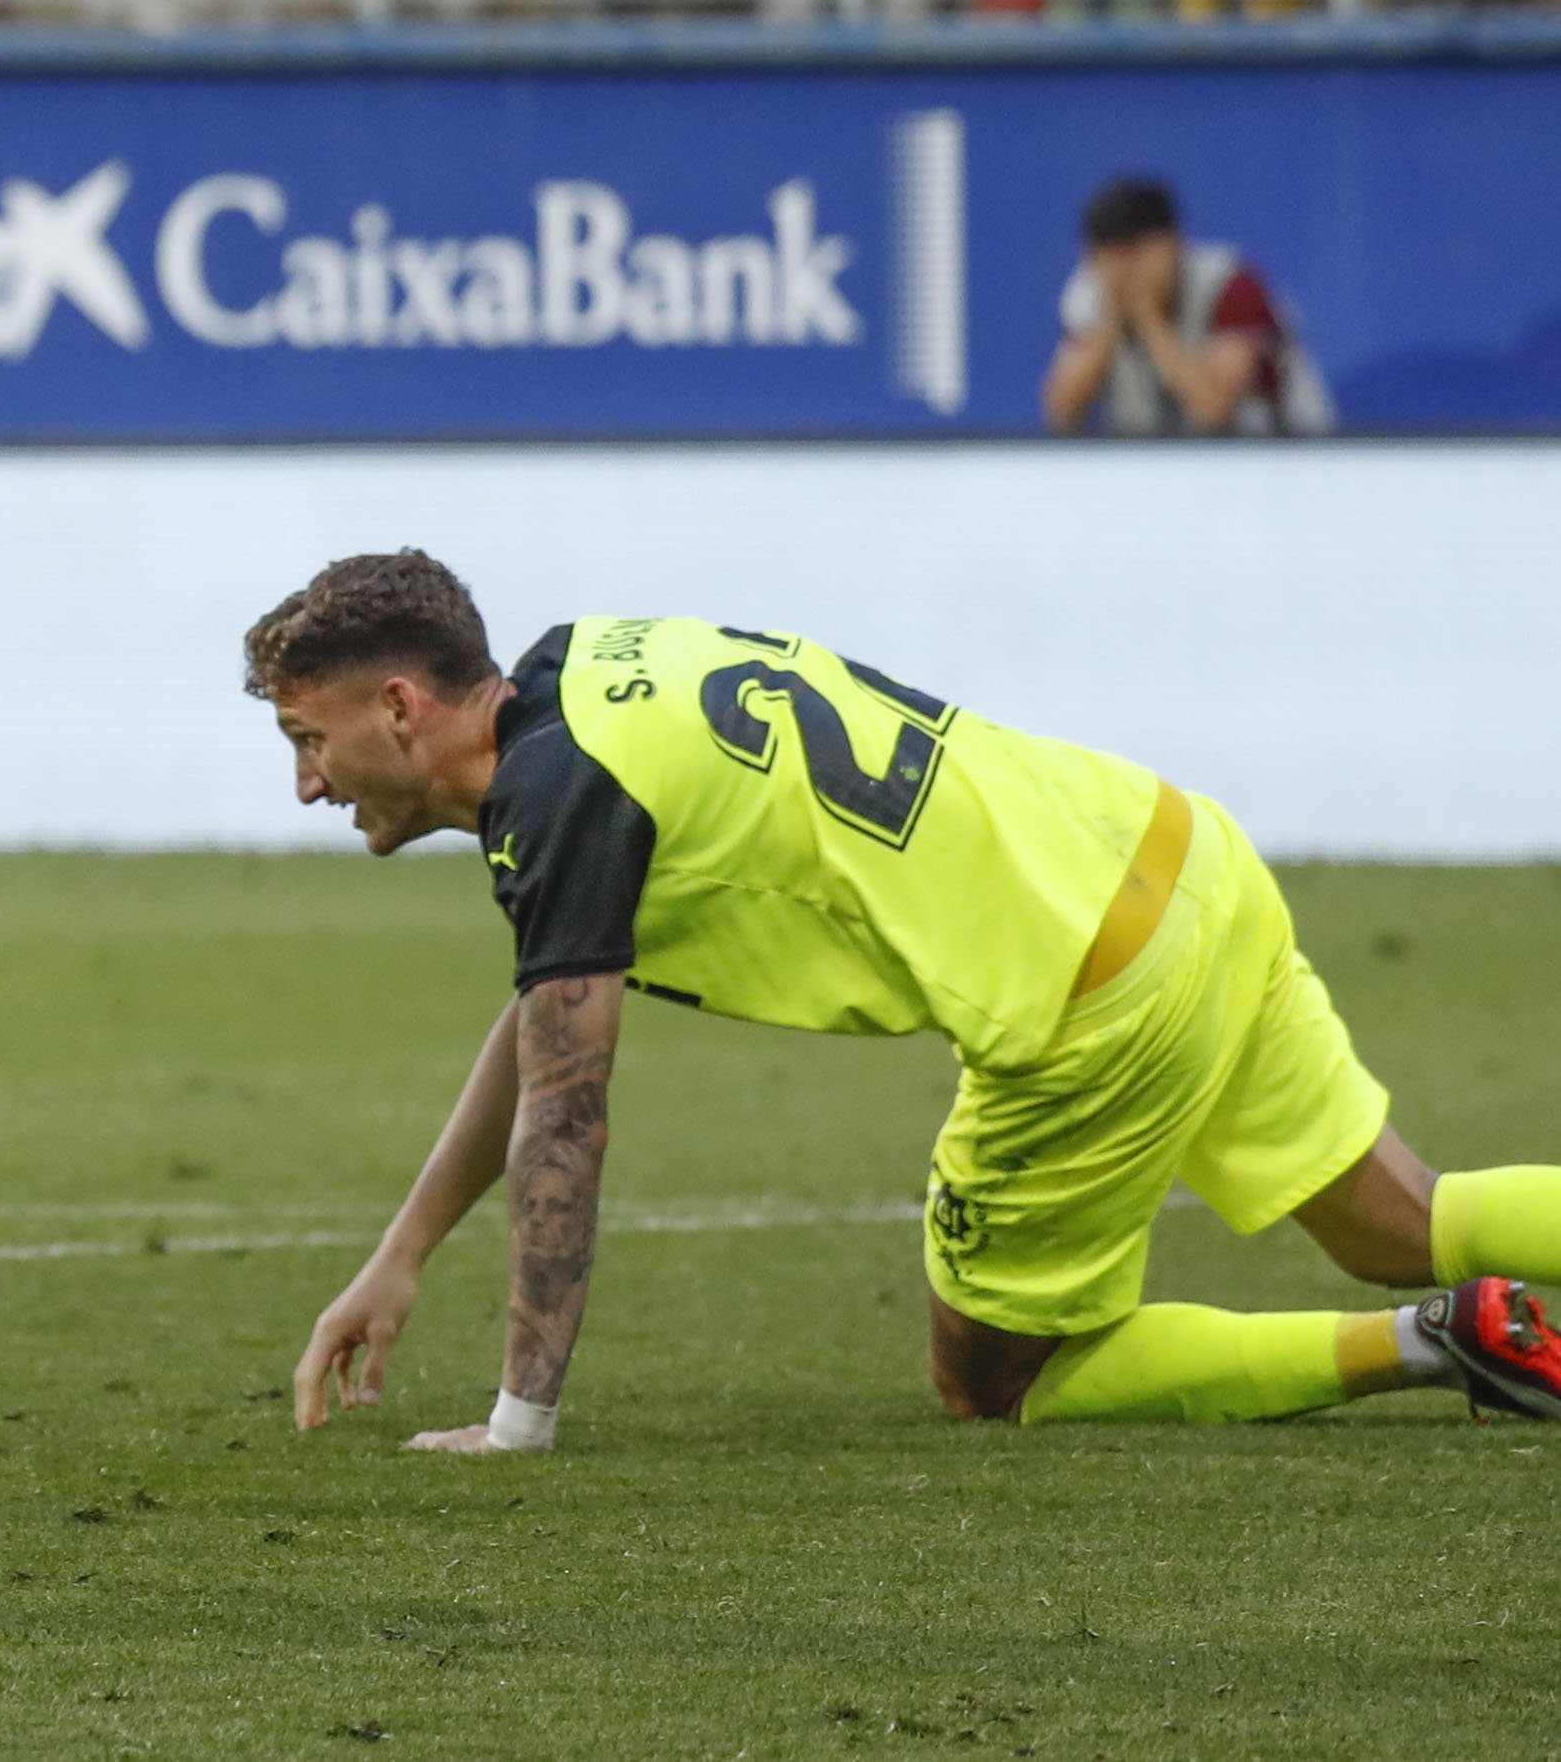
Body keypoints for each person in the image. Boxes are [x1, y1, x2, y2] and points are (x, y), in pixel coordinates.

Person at [250, 550, 1561, 1453]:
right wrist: (402, 1252)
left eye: (310, 740)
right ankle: (1447, 1297)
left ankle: (1433, 1344)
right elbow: (541, 1035)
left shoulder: (559, 799)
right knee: (1400, 1215)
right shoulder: (583, 672)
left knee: (999, 1380)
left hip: (1083, 993)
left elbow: (566, 1118)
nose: (309, 784)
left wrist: (516, 1418)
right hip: (1171, 851)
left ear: (403, 707)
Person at [1043, 174, 1333, 436]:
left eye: (1135, 254)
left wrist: (1149, 319)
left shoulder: (1231, 285)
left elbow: (1215, 407)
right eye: (1109, 258)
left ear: (1174, 242)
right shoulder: (1089, 294)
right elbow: (1062, 409)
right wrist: (1110, 323)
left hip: (1282, 459)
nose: (1125, 272)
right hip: (1151, 471)